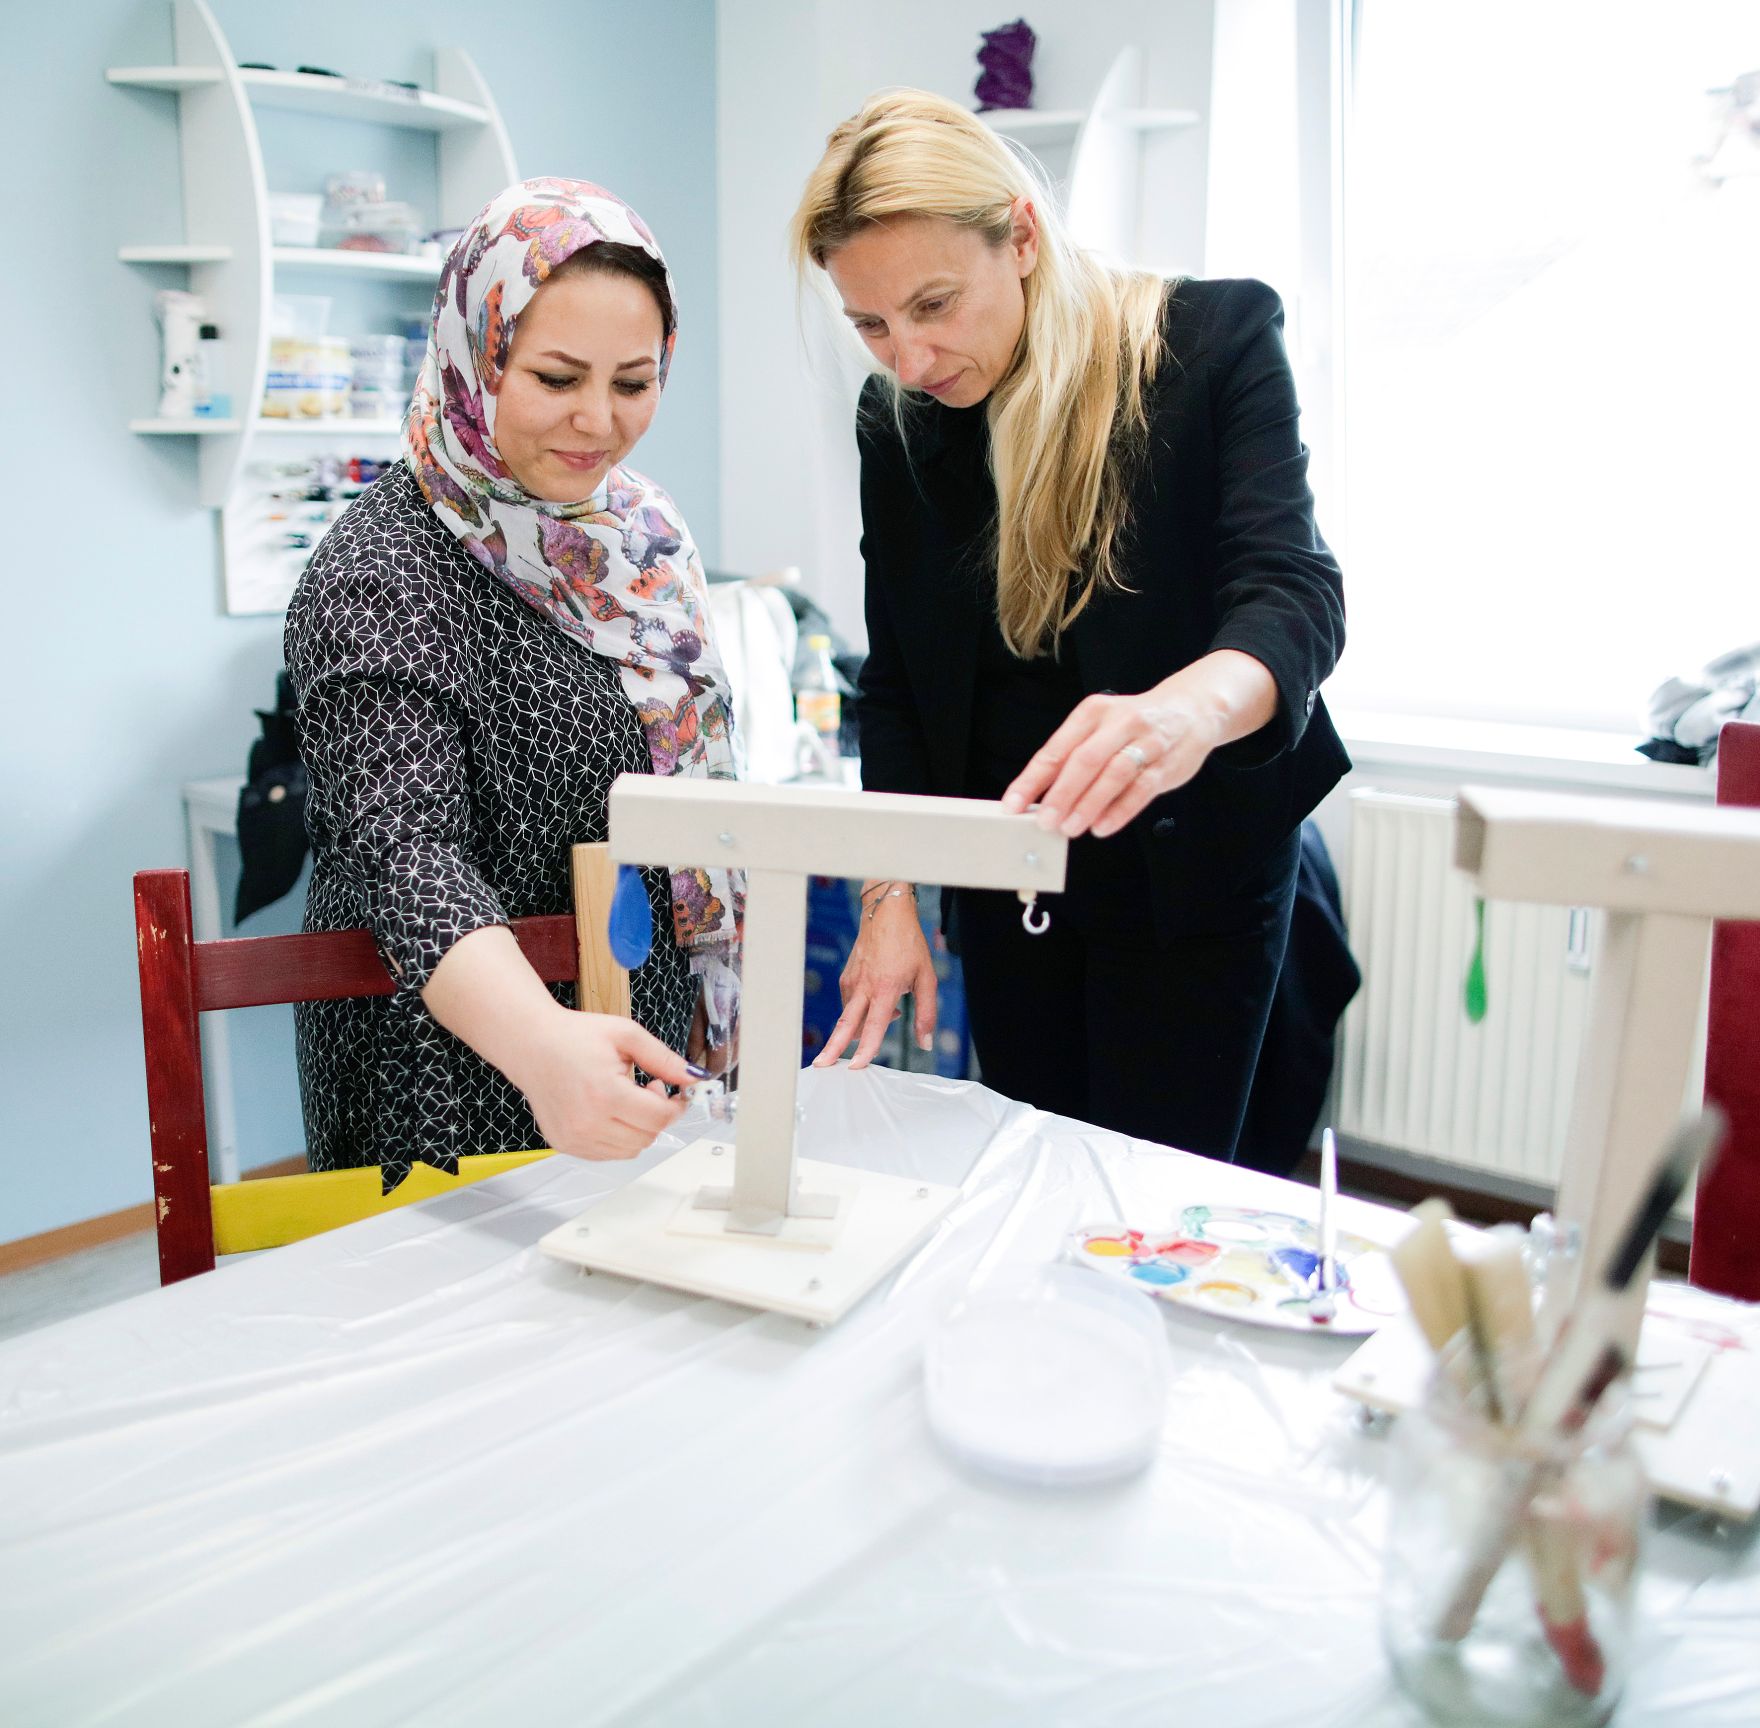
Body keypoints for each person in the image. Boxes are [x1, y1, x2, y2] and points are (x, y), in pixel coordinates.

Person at [793, 92, 1349, 1161]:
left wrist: (1185, 712)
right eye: (870, 323)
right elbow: (899, 687)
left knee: (1158, 1203)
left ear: (1023, 238)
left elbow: (1292, 591)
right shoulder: (898, 422)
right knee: (1037, 1183)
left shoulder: (1205, 347)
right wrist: (890, 890)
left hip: (1194, 880)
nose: (907, 358)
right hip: (1010, 884)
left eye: (934, 304)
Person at [285, 178, 740, 1191]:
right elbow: (405, 853)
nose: (597, 421)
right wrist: (540, 1044)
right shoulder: (383, 571)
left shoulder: (635, 539)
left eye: (633, 382)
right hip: (461, 1056)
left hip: (628, 1010)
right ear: (474, 356)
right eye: (554, 377)